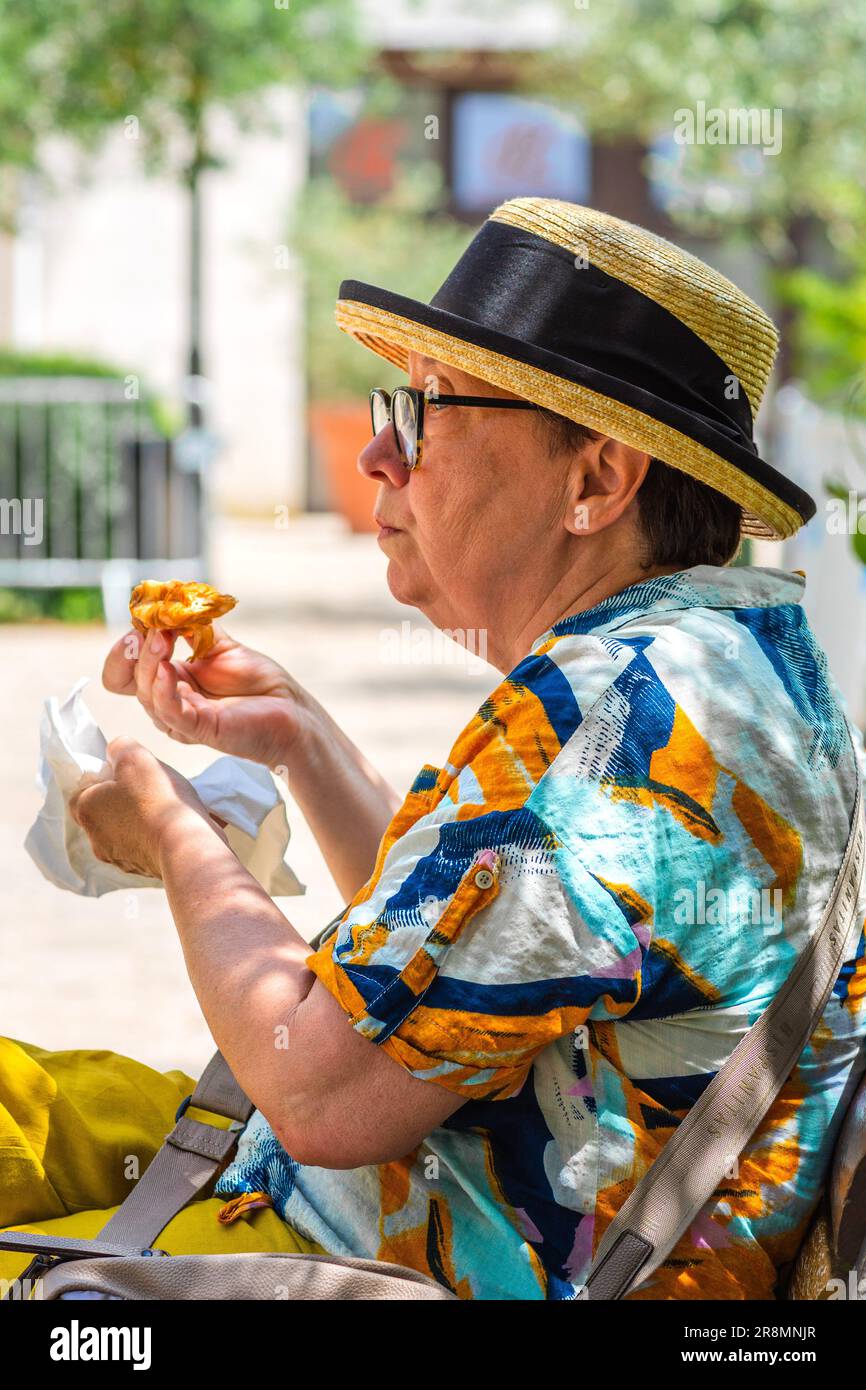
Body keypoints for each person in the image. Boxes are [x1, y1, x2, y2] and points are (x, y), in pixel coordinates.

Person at [2, 197, 865, 1301]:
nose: (374, 451)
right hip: (370, 1189)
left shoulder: (609, 719)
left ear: (595, 481)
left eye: (423, 410)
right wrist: (300, 740)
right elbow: (463, 980)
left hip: (372, 1242)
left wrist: (170, 829)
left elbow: (320, 1097)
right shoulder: (720, 659)